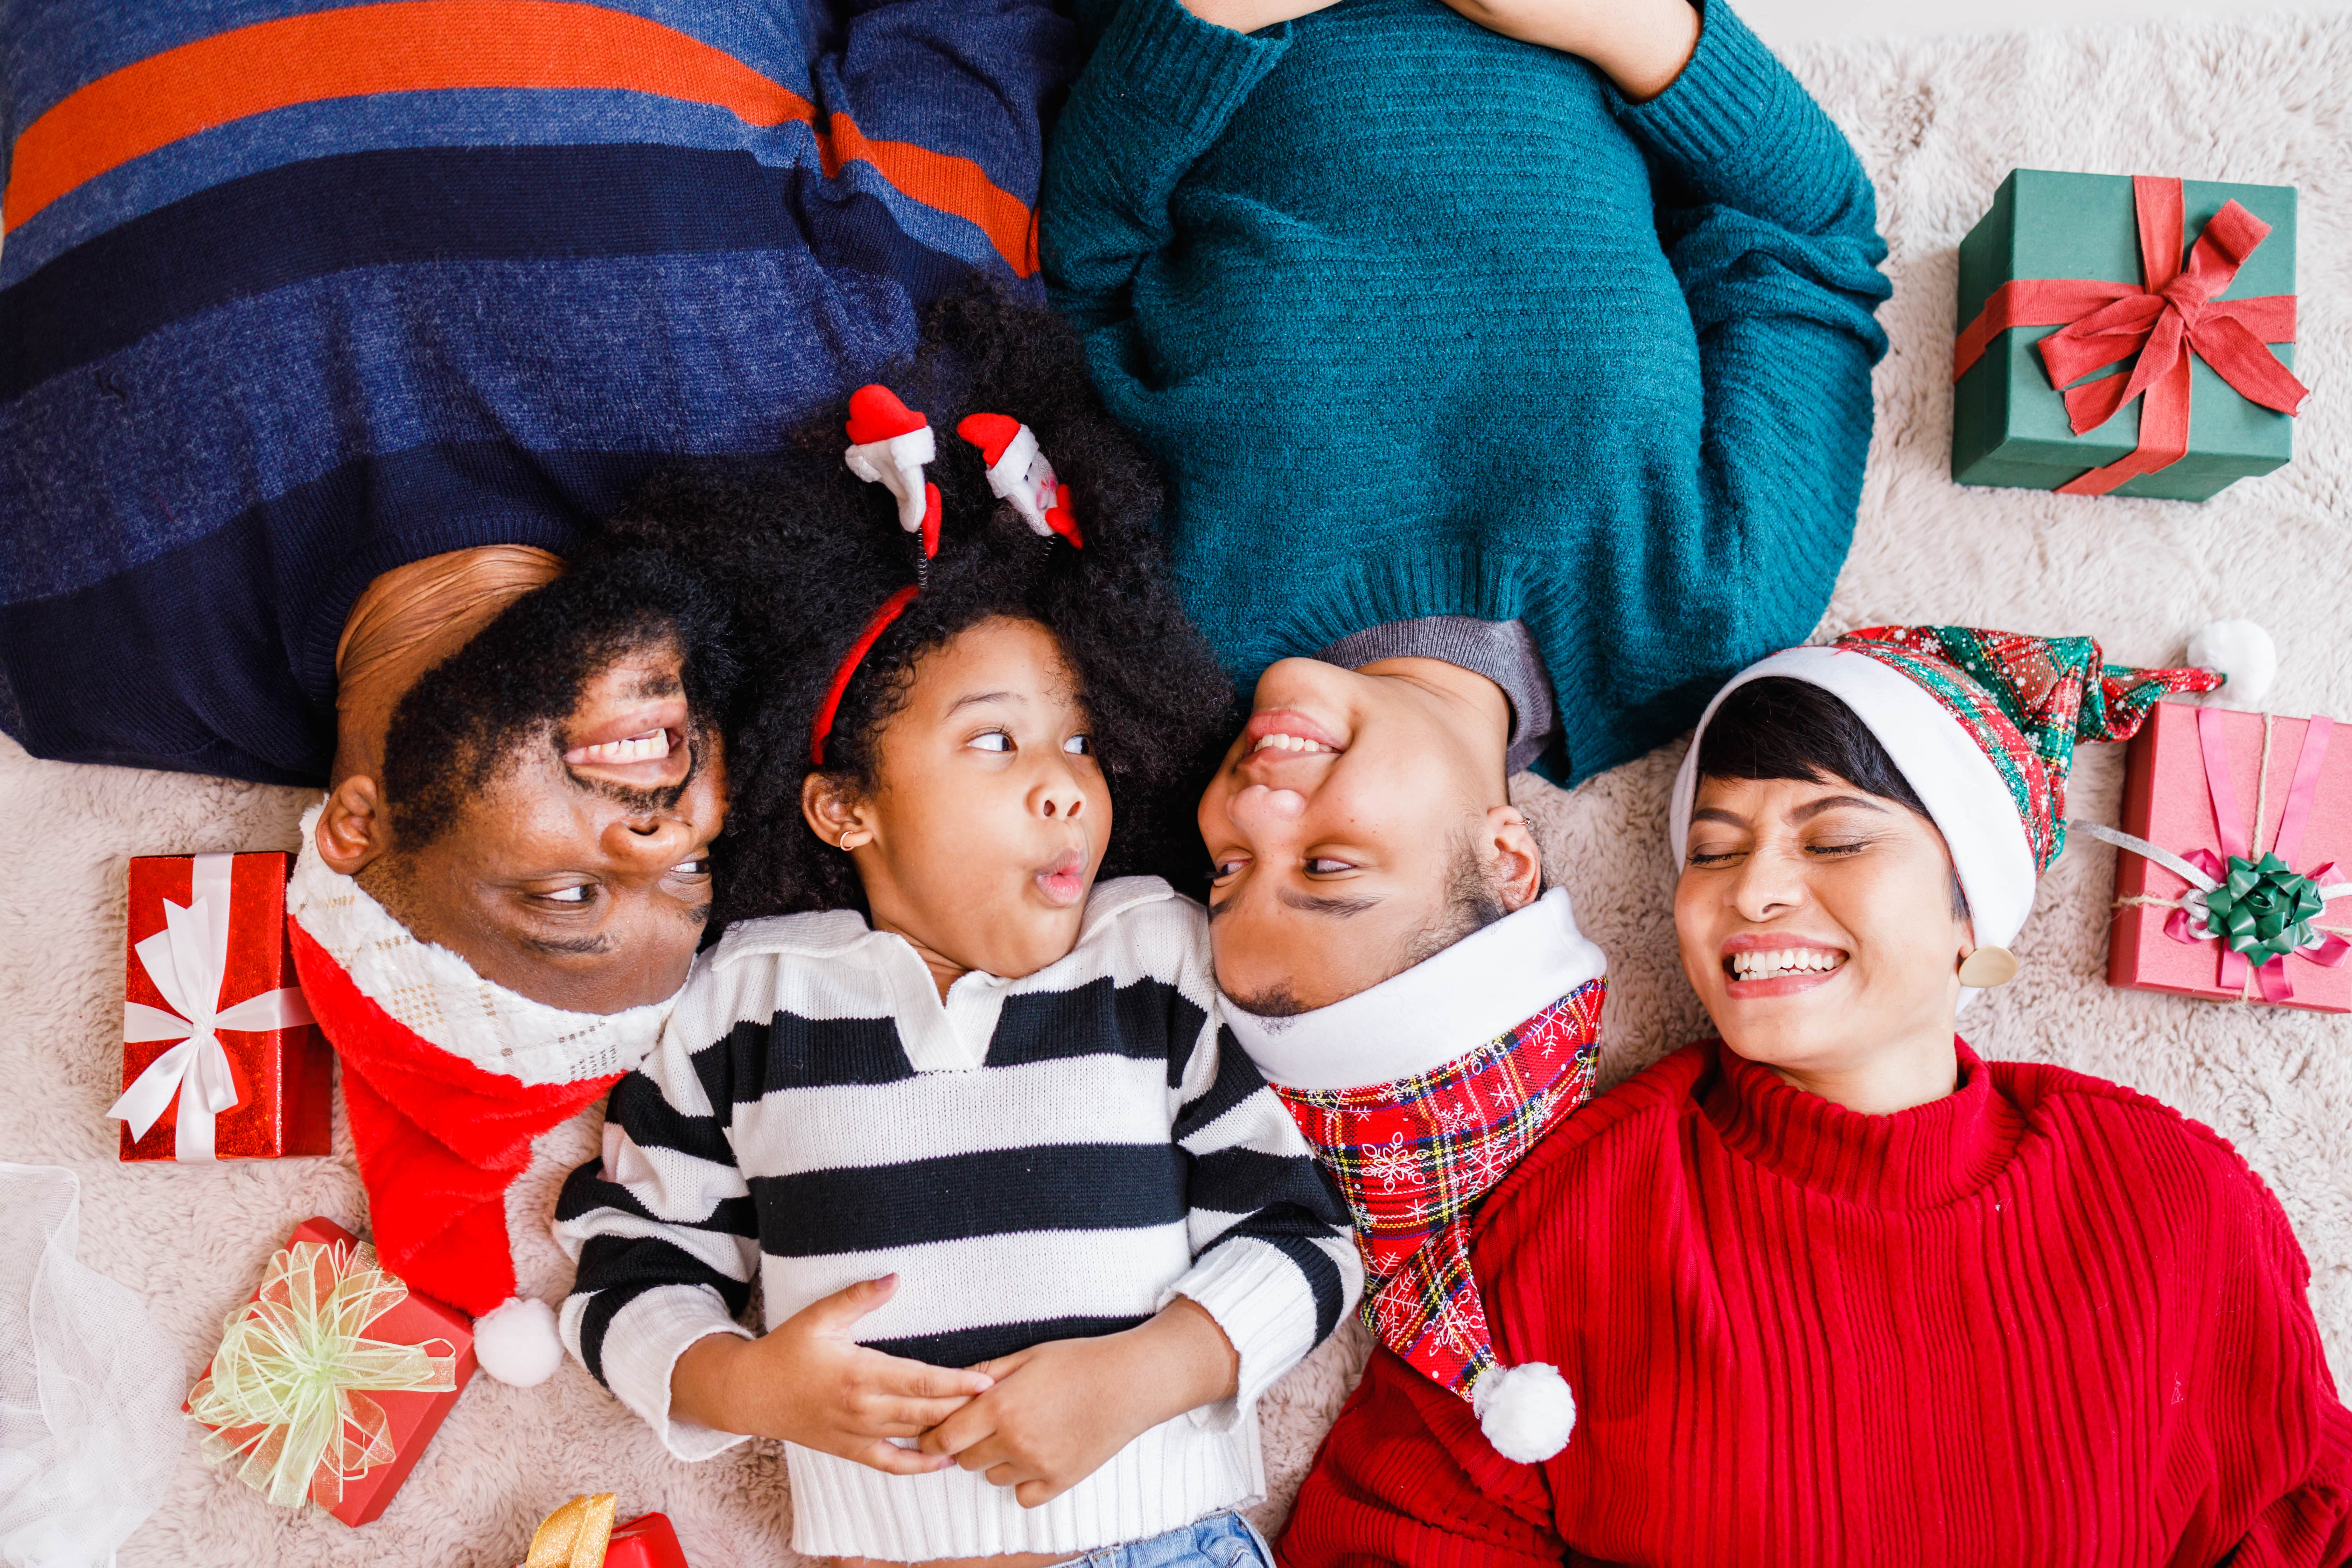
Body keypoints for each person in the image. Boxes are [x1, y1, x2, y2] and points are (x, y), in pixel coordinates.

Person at [0, 0, 1072, 1012]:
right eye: (698, 868)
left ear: (358, 828)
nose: (672, 832)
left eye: (566, 900)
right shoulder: (864, 431)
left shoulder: (59, 642)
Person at [555, 299, 1359, 1564]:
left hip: (1155, 1536)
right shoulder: (752, 1005)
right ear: (843, 808)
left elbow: (1305, 1240)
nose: (1063, 782)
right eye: (994, 741)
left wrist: (1140, 1379)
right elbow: (625, 1255)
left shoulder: (1151, 964)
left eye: (1079, 742)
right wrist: (744, 1386)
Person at [1281, 625, 2352, 1567]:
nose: (1753, 890)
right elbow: (1394, 1533)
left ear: (1969, 914)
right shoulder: (1585, 1204)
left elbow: (2302, 1518)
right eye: (1713, 851)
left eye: (1835, 839)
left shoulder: (2172, 1196)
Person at [1042, 0, 1893, 1013]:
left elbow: (1084, 280)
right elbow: (1810, 238)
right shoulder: (1710, 608)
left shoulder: (1169, 633)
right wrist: (1624, 25)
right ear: (1508, 858)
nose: (1252, 816)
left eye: (1227, 874)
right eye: (1328, 868)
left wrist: (1209, 16)